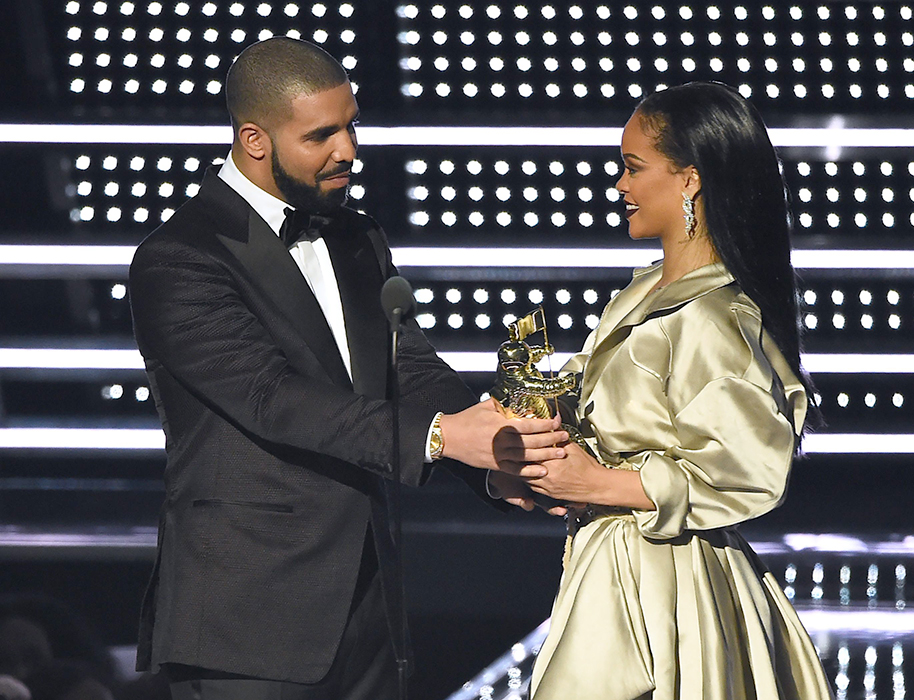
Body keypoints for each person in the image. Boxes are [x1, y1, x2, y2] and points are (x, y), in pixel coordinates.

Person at [128, 37, 565, 700]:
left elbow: (408, 365)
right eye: (322, 135)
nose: (349, 151)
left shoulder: (357, 237)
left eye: (351, 125)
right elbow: (272, 398)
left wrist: (495, 454)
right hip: (247, 623)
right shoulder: (179, 258)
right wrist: (445, 437)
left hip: (369, 616)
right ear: (254, 139)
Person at [516, 83, 834, 699]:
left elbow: (747, 470)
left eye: (633, 168)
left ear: (689, 180)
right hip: (617, 562)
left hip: (671, 580)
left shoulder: (712, 318)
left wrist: (598, 483)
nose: (620, 187)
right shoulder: (643, 294)